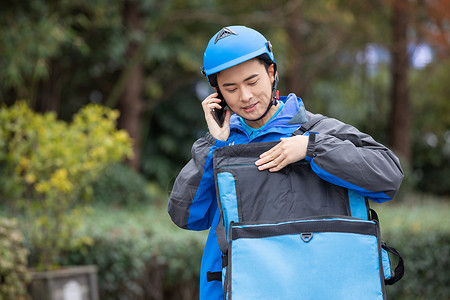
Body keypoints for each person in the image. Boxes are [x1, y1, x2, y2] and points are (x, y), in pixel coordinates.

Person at [168, 25, 404, 300]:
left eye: (252, 82)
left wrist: (312, 148)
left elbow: (389, 177)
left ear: (272, 74)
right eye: (230, 88)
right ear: (217, 95)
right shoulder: (218, 145)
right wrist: (214, 144)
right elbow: (185, 216)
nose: (244, 97)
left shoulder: (320, 131)